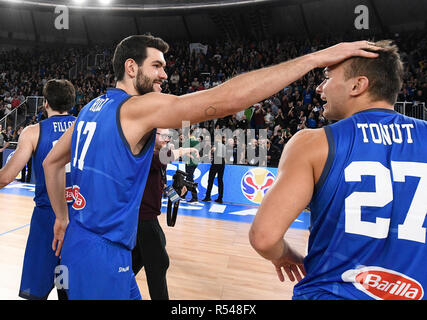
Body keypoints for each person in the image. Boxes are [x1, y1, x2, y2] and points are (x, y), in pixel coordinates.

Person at [43, 33, 380, 300]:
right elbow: (224, 100)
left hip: (81, 243)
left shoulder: (90, 108)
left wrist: (61, 217)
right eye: (157, 66)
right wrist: (316, 58)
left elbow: (51, 162)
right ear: (131, 68)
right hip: (102, 255)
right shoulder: (136, 108)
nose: (165, 73)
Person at [249, 40, 427, 300]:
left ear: (358, 85)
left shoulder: (312, 142)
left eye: (327, 77)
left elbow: (264, 237)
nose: (320, 88)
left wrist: (285, 254)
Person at [0, 79, 76, 300]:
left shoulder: (34, 132)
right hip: (79, 219)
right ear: (72, 103)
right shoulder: (85, 127)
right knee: (68, 288)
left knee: (36, 293)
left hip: (47, 220)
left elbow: (5, 178)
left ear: (45, 103)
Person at [132, 128, 198, 300]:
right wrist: (185, 149)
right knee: (160, 263)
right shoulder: (143, 154)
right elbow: (164, 157)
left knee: (134, 262)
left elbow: (160, 186)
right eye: (163, 135)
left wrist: (177, 194)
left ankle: (112, 290)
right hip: (142, 219)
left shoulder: (156, 156)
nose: (167, 139)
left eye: (169, 136)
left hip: (144, 219)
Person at [203, 135, 226, 203]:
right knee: (220, 180)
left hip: (216, 162)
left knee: (210, 179)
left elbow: (213, 150)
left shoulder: (216, 144)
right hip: (222, 163)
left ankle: (208, 196)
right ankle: (220, 198)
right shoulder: (224, 145)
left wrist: (211, 150)